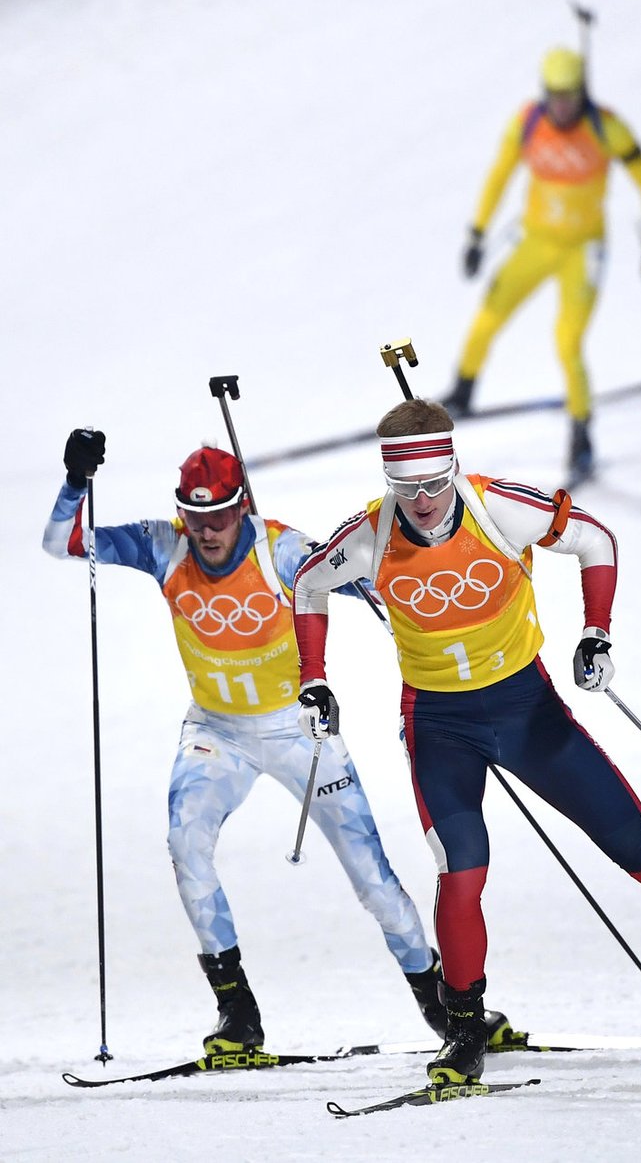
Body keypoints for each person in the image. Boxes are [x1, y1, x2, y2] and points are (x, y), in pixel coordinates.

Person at [291, 398, 641, 1086]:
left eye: (435, 485)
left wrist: (597, 631)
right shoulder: (370, 536)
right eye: (407, 490)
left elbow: (595, 539)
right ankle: (465, 1027)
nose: (425, 502)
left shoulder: (499, 507)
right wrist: (312, 677)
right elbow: (308, 583)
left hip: (527, 713)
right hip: (440, 725)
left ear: (454, 469)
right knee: (461, 869)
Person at [42, 429, 515, 1055]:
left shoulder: (282, 550)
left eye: (219, 516)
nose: (207, 532)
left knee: (374, 881)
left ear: (242, 506)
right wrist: (77, 482)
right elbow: (63, 543)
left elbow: (374, 576)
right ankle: (237, 1012)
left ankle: (447, 1012)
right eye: (195, 517)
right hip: (216, 733)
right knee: (186, 848)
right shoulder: (164, 546)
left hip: (300, 733)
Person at [443, 46, 641, 480]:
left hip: (582, 250)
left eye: (570, 95)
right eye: (554, 95)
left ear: (583, 90)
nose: (562, 106)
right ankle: (463, 390)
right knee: (489, 315)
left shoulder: (607, 128)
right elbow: (499, 175)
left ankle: (581, 435)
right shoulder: (528, 123)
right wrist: (476, 232)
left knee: (567, 342)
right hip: (537, 242)